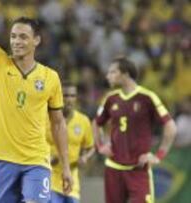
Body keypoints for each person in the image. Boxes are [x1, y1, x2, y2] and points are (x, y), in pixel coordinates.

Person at [0, 0, 72, 202]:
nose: (17, 41)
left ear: (36, 40)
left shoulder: (50, 77)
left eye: (23, 37)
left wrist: (66, 166)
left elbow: (58, 123)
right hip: (2, 157)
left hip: (36, 159)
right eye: (13, 36)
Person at [93, 57, 177, 203]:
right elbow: (96, 123)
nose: (108, 76)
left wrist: (158, 156)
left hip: (138, 168)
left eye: (112, 72)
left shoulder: (147, 97)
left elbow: (171, 127)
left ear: (125, 74)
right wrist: (100, 145)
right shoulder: (110, 98)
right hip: (114, 167)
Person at [48, 82, 95, 203]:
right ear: (58, 96)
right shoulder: (46, 119)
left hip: (72, 178)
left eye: (72, 96)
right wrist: (46, 158)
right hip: (50, 177)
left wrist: (85, 157)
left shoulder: (83, 121)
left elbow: (91, 147)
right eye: (65, 95)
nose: (68, 99)